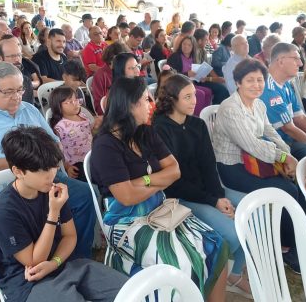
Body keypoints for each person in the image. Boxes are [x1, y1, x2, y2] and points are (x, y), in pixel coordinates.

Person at [89, 77, 229, 301]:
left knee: (216, 244)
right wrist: (156, 181)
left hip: (160, 209)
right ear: (128, 104)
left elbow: (175, 171)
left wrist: (142, 181)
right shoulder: (106, 145)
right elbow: (125, 197)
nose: (151, 104)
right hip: (125, 220)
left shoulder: (145, 132)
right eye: (146, 99)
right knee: (180, 262)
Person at [0, 62, 96, 258]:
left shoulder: (28, 109)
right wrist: (24, 163)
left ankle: (75, 257)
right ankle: (41, 260)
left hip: (44, 178)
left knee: (83, 195)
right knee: (37, 214)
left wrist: (40, 163)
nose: (17, 96)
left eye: (20, 89)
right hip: (6, 188)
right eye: (8, 91)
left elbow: (54, 144)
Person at [0, 126, 127, 302]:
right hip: (28, 282)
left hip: (64, 264)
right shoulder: (4, 212)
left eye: (53, 167)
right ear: (18, 171)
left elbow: (70, 236)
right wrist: (53, 213)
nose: (51, 175)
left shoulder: (50, 190)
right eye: (41, 170)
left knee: (128, 291)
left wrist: (55, 262)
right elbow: (34, 261)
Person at [152, 74, 252, 297]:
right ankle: (222, 273)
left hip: (209, 191)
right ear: (172, 100)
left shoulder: (197, 123)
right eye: (187, 97)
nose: (194, 101)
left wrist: (219, 196)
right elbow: (175, 182)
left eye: (194, 95)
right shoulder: (160, 129)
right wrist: (214, 201)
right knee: (233, 233)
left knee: (253, 210)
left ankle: (235, 272)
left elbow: (208, 164)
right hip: (181, 196)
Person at [213, 58, 304, 272]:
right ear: (238, 83)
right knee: (286, 190)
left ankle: (301, 236)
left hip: (254, 162)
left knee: (296, 182)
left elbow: (269, 132)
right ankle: (287, 247)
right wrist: (283, 158)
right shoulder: (230, 109)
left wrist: (287, 153)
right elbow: (252, 144)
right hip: (232, 167)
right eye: (250, 80)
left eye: (260, 80)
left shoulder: (258, 103)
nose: (257, 85)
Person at [260, 43, 306, 160]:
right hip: (278, 149)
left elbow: (300, 118)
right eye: (296, 58)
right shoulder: (268, 88)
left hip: (290, 140)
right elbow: (289, 129)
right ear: (280, 61)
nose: (300, 63)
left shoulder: (285, 85)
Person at [48, 86, 98, 182]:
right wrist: (66, 166)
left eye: (76, 100)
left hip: (92, 154)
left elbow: (88, 133)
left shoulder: (82, 115)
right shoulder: (59, 126)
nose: (76, 104)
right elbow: (57, 149)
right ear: (58, 105)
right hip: (76, 163)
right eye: (70, 102)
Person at [0, 37, 39, 104]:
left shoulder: (26, 82)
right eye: (12, 56)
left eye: (19, 55)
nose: (17, 59)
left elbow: (28, 110)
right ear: (0, 59)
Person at [166, 35, 228, 105]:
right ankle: (198, 113)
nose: (186, 46)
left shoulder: (194, 56)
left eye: (189, 45)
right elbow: (170, 75)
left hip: (196, 81)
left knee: (221, 89)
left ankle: (213, 110)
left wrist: (202, 75)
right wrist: (187, 74)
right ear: (181, 45)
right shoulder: (175, 56)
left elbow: (200, 68)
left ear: (193, 47)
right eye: (184, 44)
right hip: (181, 83)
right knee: (202, 93)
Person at [90, 42, 125, 115]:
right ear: (110, 60)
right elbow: (98, 105)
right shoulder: (100, 75)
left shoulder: (125, 71)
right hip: (110, 113)